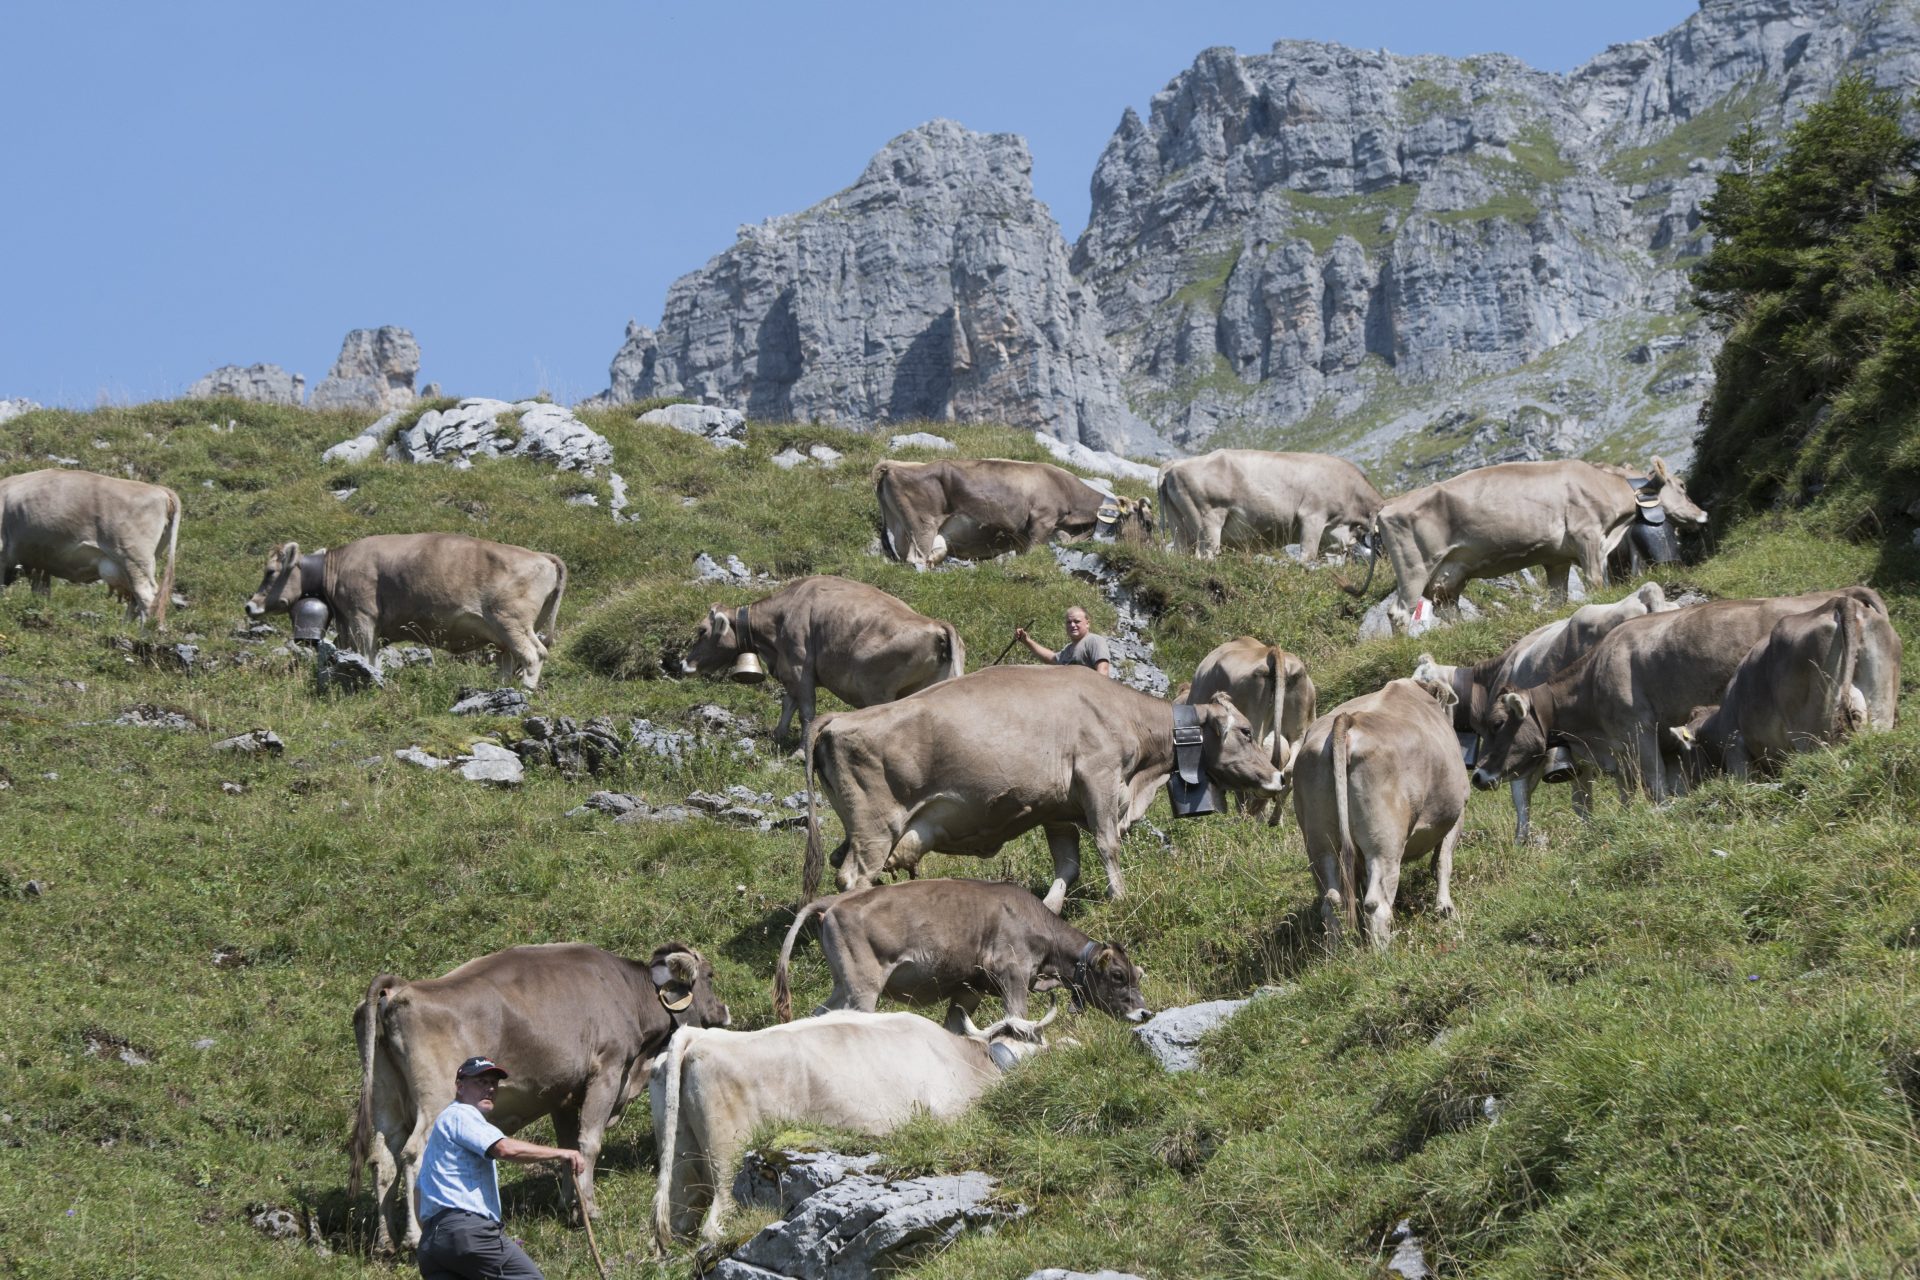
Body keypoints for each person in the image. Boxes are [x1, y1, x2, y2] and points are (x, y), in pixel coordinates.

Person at [415, 1055, 587, 1280]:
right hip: (467, 1232)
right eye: (480, 1082)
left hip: (432, 1247)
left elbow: (418, 1192)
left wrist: (438, 1234)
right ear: (459, 1086)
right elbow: (504, 1149)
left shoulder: (438, 1136)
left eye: (493, 1083)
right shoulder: (461, 1114)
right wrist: (563, 1152)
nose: (489, 1088)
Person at [1015, 606, 1112, 677]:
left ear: (1087, 623)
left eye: (1077, 621)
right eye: (1069, 622)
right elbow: (1052, 658)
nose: (1072, 625)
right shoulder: (1068, 649)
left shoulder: (1094, 640)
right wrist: (1026, 641)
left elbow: (1103, 670)